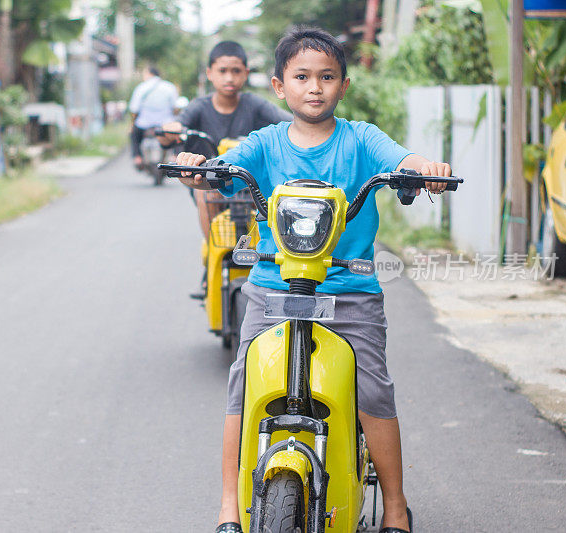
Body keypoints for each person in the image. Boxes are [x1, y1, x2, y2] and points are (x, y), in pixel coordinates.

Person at [175, 27, 451, 533]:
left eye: (327, 77)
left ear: (343, 85)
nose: (315, 87)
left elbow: (400, 159)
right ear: (280, 87)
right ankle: (228, 507)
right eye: (302, 77)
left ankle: (394, 507)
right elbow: (225, 166)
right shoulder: (263, 143)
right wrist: (202, 168)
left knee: (373, 392)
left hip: (349, 292)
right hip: (271, 288)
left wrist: (422, 168)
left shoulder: (361, 138)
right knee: (241, 389)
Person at [158, 41, 291, 242]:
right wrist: (170, 130)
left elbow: (293, 122)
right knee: (206, 196)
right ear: (210, 73)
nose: (229, 77)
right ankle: (212, 252)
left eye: (236, 71)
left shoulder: (254, 103)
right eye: (222, 71)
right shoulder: (198, 107)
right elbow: (172, 130)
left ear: (245, 73)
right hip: (209, 182)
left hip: (248, 181)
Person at [128, 65, 178, 170]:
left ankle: (137, 157)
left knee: (134, 136)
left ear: (148, 74)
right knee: (177, 134)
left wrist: (132, 124)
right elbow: (175, 107)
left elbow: (134, 109)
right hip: (165, 123)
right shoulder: (169, 87)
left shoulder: (141, 87)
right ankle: (175, 155)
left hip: (144, 124)